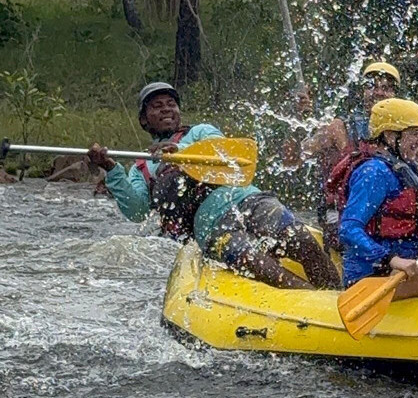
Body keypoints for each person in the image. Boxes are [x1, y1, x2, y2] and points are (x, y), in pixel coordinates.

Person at [88, 82, 339, 290]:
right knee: (255, 261)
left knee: (302, 240)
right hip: (211, 226)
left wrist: (179, 151)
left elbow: (224, 156)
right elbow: (137, 211)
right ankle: (311, 299)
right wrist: (111, 169)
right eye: (157, 106)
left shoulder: (201, 132)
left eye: (171, 104)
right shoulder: (141, 168)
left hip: (248, 201)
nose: (166, 109)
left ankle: (335, 292)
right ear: (144, 120)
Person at [326, 98, 418, 295]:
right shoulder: (374, 172)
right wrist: (390, 259)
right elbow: (348, 229)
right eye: (414, 134)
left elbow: (412, 233)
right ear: (390, 135)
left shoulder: (404, 168)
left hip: (406, 259)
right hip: (373, 277)